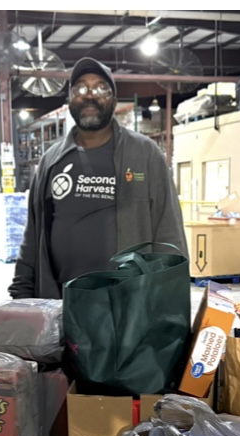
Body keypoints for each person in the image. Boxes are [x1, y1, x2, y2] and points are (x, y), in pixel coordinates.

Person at [11, 58, 186, 299]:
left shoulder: (144, 154)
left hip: (128, 305)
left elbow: (169, 230)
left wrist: (170, 300)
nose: (90, 95)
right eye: (81, 88)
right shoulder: (51, 161)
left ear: (114, 101)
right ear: (70, 99)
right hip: (61, 303)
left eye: (101, 88)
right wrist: (21, 291)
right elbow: (33, 235)